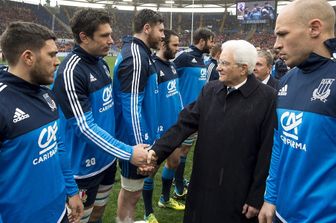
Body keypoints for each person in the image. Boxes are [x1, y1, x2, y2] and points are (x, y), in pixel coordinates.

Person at [150, 40, 277, 223]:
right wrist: (156, 152)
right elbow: (183, 124)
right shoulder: (210, 90)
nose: (218, 68)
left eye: (225, 63)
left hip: (237, 193)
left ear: (243, 69)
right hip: (202, 185)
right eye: (219, 62)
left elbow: (267, 152)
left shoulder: (268, 98)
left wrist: (256, 196)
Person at [53, 9, 152, 223]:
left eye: (110, 34)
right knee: (82, 218)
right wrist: (128, 152)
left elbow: (109, 111)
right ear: (84, 37)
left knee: (98, 213)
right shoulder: (70, 72)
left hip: (106, 160)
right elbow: (85, 128)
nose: (111, 40)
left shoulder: (100, 63)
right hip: (82, 168)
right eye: (104, 36)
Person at [258, 0, 336, 222]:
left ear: (314, 28)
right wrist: (271, 198)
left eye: (282, 34)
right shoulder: (287, 79)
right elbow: (280, 142)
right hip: (282, 213)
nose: (276, 45)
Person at [0, 21, 83, 223]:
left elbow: (59, 146)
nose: (58, 62)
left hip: (59, 211)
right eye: (52, 55)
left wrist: (71, 191)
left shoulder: (48, 95)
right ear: (28, 57)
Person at [112, 9, 164, 223]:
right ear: (147, 28)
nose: (163, 35)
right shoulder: (135, 57)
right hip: (132, 142)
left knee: (132, 193)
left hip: (135, 139)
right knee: (131, 195)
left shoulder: (139, 53)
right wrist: (140, 148)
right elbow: (131, 108)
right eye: (160, 30)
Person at [142, 29, 185, 221]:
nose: (178, 48)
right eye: (175, 45)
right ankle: (148, 212)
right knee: (151, 171)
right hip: (157, 131)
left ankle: (165, 199)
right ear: (162, 44)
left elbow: (175, 95)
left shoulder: (172, 66)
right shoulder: (151, 67)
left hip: (174, 127)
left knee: (174, 162)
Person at [172, 27, 215, 200]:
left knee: (186, 150)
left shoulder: (201, 59)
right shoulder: (184, 56)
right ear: (202, 41)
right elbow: (168, 75)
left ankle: (179, 180)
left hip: (198, 111)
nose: (212, 44)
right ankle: (178, 187)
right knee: (181, 150)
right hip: (185, 112)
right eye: (211, 41)